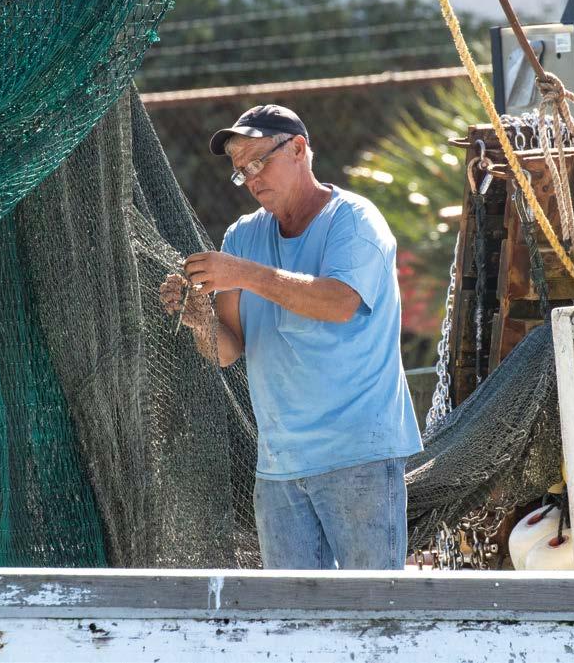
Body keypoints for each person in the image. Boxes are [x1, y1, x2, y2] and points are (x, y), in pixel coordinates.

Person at [160, 104, 422, 570]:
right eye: (241, 171)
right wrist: (199, 319)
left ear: (299, 149)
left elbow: (338, 302)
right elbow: (227, 349)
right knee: (290, 613)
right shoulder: (242, 236)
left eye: (258, 162)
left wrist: (244, 274)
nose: (251, 178)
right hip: (278, 468)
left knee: (373, 607)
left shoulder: (354, 220)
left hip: (359, 457)